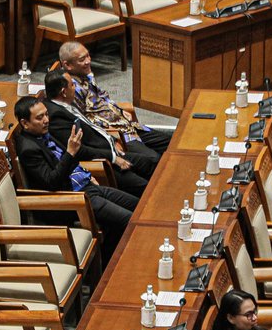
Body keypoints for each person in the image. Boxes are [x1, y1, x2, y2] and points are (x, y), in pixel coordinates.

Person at [13, 96, 139, 258]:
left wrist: (85, 172)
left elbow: (64, 159)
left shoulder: (43, 133)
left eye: (46, 114)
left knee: (138, 206)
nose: (46, 120)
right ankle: (121, 262)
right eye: (40, 117)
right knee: (129, 220)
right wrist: (70, 153)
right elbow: (52, 181)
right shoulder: (28, 150)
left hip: (88, 186)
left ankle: (110, 256)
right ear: (25, 123)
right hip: (75, 199)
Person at [41, 68, 150, 196]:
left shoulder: (65, 102)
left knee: (151, 162)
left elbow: (91, 126)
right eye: (72, 84)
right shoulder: (56, 116)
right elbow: (79, 150)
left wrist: (112, 140)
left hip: (112, 150)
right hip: (102, 161)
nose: (75, 87)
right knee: (146, 187)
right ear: (63, 92)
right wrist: (113, 157)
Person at [58, 41, 173, 157]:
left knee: (171, 143)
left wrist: (119, 110)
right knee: (153, 159)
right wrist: (111, 135)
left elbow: (102, 96)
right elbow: (85, 123)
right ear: (68, 65)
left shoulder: (85, 74)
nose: (88, 61)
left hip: (128, 124)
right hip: (117, 135)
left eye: (88, 55)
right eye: (82, 59)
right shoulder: (70, 90)